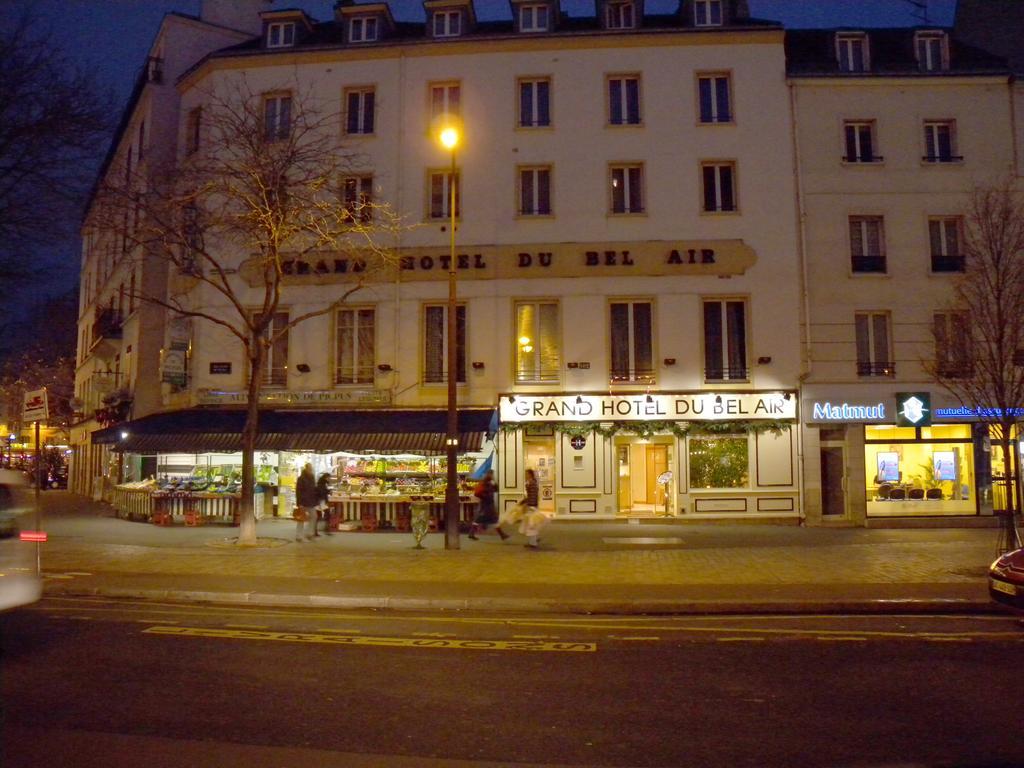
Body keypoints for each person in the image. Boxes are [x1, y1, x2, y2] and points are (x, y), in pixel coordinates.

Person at [468, 470, 508, 541]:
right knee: (491, 519)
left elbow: (495, 489)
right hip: (487, 504)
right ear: (490, 475)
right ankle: (502, 535)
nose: (493, 476)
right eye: (492, 474)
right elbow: (493, 490)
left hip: (485, 504)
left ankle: (471, 533)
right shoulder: (487, 483)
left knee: (482, 519)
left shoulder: (487, 483)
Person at [294, 463, 318, 542]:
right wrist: (299, 503)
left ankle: (309, 534)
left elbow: (313, 489)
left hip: (311, 501)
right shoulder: (301, 478)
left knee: (314, 516)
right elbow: (298, 491)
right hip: (303, 502)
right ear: (306, 469)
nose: (311, 470)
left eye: (312, 468)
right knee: (301, 518)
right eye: (310, 468)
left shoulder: (312, 477)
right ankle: (299, 536)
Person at [521, 468, 541, 549]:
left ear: (530, 474)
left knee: (531, 525)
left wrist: (527, 503)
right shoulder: (532, 482)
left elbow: (531, 495)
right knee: (531, 524)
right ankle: (533, 541)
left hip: (532, 505)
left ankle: (533, 543)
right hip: (532, 505)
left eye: (526, 474)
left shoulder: (531, 483)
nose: (525, 475)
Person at [315, 472, 332, 536]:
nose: (329, 479)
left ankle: (316, 531)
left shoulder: (321, 483)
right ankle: (326, 530)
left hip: (319, 501)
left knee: (319, 516)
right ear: (326, 478)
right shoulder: (322, 484)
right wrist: (328, 491)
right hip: (321, 502)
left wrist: (327, 491)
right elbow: (322, 492)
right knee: (327, 514)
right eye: (329, 478)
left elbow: (322, 491)